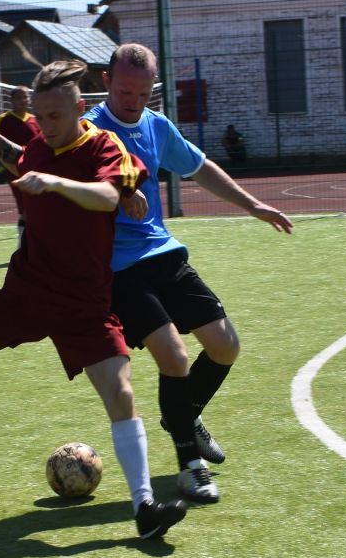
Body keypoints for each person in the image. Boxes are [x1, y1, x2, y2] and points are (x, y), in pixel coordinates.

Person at [0, 58, 186, 542]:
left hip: (83, 303)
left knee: (121, 394)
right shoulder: (39, 141)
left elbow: (103, 194)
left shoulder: (102, 144)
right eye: (39, 116)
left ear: (80, 108)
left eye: (54, 116)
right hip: (27, 292)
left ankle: (144, 508)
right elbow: (26, 159)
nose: (45, 126)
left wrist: (67, 186)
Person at [83, 42, 293, 505]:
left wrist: (253, 205)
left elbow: (200, 168)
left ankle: (184, 415)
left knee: (225, 345)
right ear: (105, 82)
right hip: (117, 268)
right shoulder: (88, 131)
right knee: (174, 356)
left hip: (164, 254)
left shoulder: (157, 127)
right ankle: (190, 466)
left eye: (142, 93)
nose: (132, 101)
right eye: (123, 92)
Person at [0, 84, 38, 240]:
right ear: (12, 100)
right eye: (19, 97)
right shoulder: (5, 120)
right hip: (15, 171)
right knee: (26, 209)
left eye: (25, 97)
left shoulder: (35, 121)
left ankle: (34, 243)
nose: (23, 100)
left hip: (36, 171)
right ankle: (23, 242)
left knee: (37, 208)